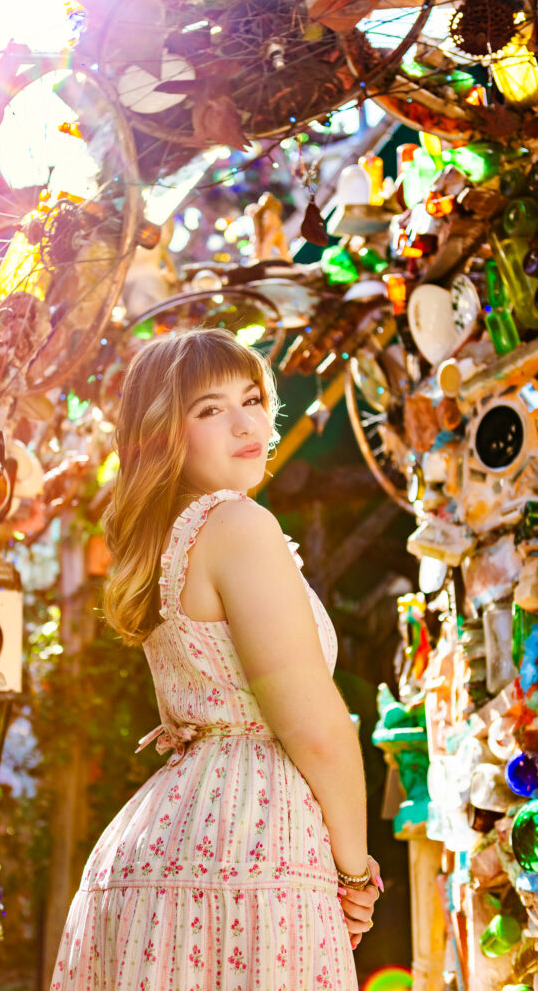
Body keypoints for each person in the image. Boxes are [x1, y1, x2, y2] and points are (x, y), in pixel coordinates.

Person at [50, 328, 380, 991]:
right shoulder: (235, 525)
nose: (244, 422)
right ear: (162, 434)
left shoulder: (165, 540)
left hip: (156, 855)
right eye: (208, 409)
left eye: (252, 398)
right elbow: (316, 731)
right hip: (251, 852)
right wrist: (352, 871)